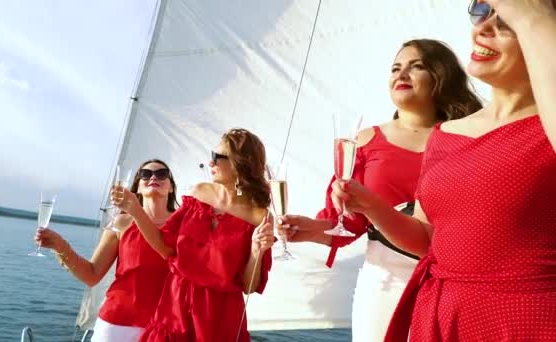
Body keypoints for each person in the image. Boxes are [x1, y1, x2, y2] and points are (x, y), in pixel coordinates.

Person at [330, 1, 556, 340]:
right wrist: (370, 205)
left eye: (508, 18)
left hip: (525, 320)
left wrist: (532, 16)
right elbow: (427, 238)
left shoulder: (547, 129)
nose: (483, 28)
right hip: (442, 316)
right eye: (482, 10)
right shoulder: (446, 135)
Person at [278, 38, 482, 341]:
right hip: (386, 282)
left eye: (416, 67)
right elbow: (347, 224)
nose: (401, 75)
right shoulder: (364, 142)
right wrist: (310, 228)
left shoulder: (470, 137)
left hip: (456, 280)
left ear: (441, 76)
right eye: (395, 68)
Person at [111, 128, 275, 342]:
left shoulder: (259, 216)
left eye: (218, 157)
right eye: (211, 156)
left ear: (239, 162)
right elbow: (164, 246)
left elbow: (249, 285)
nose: (210, 163)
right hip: (174, 307)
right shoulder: (199, 193)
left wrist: (256, 252)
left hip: (219, 318)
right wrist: (135, 209)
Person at [35, 159, 177, 342]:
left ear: (171, 187)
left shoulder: (186, 224)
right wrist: (60, 246)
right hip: (117, 324)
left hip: (168, 327)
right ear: (138, 188)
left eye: (162, 173)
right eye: (145, 174)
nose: (153, 177)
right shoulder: (121, 224)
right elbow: (92, 275)